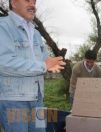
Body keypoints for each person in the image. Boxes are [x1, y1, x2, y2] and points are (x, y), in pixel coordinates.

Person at [0, 0, 65, 131]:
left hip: (38, 98)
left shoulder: (35, 33)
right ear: (13, 3)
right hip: (15, 100)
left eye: (34, 2)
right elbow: (4, 63)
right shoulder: (3, 27)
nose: (32, 5)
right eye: (27, 0)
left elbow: (44, 60)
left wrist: (52, 64)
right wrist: (43, 65)